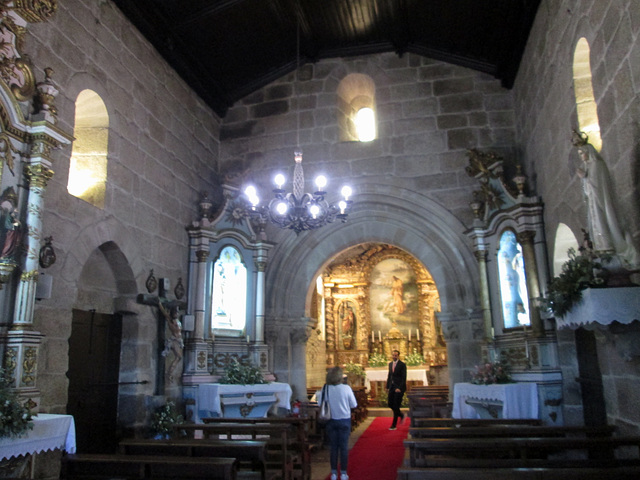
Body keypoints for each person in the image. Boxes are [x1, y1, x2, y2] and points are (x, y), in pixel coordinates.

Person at [573, 131, 640, 267]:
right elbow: (587, 191)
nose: (582, 157)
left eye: (583, 153)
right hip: (594, 203)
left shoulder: (597, 165)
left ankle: (611, 249)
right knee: (597, 225)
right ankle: (603, 249)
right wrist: (584, 178)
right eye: (579, 154)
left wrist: (585, 177)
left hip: (601, 202)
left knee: (605, 222)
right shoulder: (588, 167)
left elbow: (598, 186)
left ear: (589, 151)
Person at [316, 366, 357, 480]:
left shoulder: (325, 388)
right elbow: (354, 404)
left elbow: (320, 403)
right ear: (340, 377)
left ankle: (333, 473)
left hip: (330, 420)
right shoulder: (346, 388)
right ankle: (343, 473)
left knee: (333, 447)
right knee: (343, 447)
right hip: (344, 419)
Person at [158, 301, 184, 381]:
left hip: (178, 340)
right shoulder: (170, 320)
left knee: (179, 357)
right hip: (174, 340)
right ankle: (169, 374)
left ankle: (169, 373)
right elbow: (164, 313)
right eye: (175, 311)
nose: (177, 313)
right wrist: (159, 304)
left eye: (178, 311)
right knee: (179, 357)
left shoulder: (177, 321)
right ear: (172, 313)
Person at [386, 349, 407, 430]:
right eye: (393, 355)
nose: (394, 356)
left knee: (395, 405)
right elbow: (389, 376)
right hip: (392, 386)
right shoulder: (390, 364)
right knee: (390, 404)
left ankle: (393, 425)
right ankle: (401, 415)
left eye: (395, 355)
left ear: (398, 356)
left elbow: (403, 377)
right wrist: (387, 386)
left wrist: (399, 388)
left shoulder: (402, 365)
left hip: (399, 388)